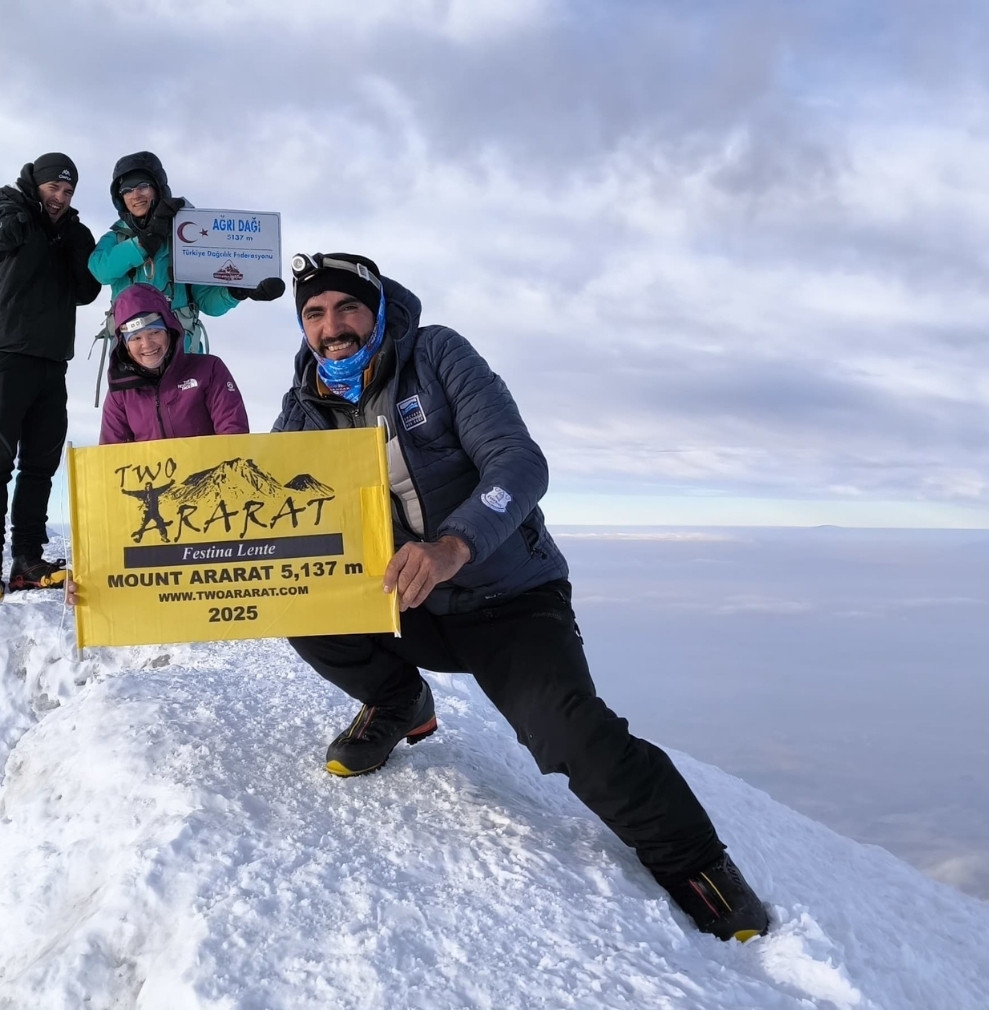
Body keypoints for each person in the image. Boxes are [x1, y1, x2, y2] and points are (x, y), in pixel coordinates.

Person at [269, 252, 772, 943]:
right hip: (405, 603)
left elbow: (518, 462)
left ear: (377, 307)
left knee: (565, 731)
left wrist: (452, 547)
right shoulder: (303, 407)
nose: (333, 326)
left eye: (348, 307)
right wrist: (129, 582)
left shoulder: (436, 355)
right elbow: (258, 521)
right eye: (315, 314)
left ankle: (694, 862)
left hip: (507, 597)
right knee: (302, 608)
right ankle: (398, 702)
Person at [0, 153, 101, 604]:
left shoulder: (72, 231)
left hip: (50, 360)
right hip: (2, 353)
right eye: (53, 189)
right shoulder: (7, 206)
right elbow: (4, 229)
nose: (59, 198)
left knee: (41, 464)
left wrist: (74, 242)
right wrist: (39, 220)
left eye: (67, 192)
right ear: (35, 184)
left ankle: (26, 560)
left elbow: (86, 289)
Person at [87, 151, 284, 355]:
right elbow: (101, 270)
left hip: (182, 356)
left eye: (142, 186)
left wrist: (236, 291)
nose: (135, 195)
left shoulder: (186, 236)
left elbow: (208, 303)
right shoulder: (116, 238)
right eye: (126, 190)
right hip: (131, 357)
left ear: (158, 188)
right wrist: (146, 241)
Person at [100, 284, 249, 444]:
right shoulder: (120, 393)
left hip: (209, 468)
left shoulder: (209, 370)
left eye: (154, 332)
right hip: (149, 470)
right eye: (136, 338)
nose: (147, 344)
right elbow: (110, 454)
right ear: (125, 345)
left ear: (169, 332)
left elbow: (233, 436)